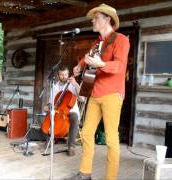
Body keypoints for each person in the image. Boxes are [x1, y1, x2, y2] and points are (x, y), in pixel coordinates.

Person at [71, 4, 130, 180]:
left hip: (112, 93)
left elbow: (120, 66)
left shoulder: (121, 40)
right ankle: (85, 173)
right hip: (95, 93)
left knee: (112, 139)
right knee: (87, 133)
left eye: (96, 17)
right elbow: (87, 57)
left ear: (107, 19)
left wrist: (101, 64)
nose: (92, 20)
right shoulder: (97, 43)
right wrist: (79, 65)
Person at [44, 65, 84, 156]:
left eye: (66, 74)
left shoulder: (72, 85)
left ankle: (71, 146)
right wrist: (48, 107)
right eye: (61, 75)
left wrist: (75, 84)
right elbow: (51, 102)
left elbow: (82, 99)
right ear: (58, 75)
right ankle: (49, 141)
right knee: (50, 115)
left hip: (72, 110)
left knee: (74, 118)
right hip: (59, 111)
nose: (64, 77)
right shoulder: (55, 87)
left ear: (68, 74)